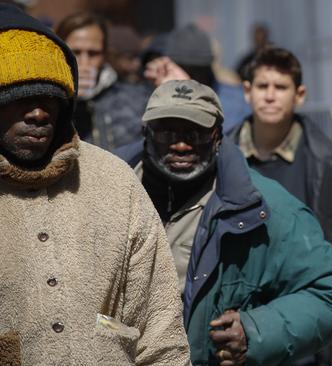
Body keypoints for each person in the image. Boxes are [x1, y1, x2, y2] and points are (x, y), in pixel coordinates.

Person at [0, 5, 190, 365]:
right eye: (20, 97)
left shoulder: (114, 183)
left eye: (50, 99)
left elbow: (160, 332)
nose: (38, 113)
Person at [117, 79, 332, 366]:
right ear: (146, 133)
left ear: (217, 136)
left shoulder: (264, 207)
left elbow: (331, 294)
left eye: (195, 133)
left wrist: (256, 331)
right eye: (167, 132)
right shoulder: (102, 191)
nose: (180, 145)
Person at [229, 47, 332, 366]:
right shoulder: (223, 159)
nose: (270, 96)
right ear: (247, 91)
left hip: (313, 338)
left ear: (300, 95)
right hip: (239, 337)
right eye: (262, 86)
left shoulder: (330, 163)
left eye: (280, 87)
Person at [56, 12, 150, 152]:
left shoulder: (137, 99)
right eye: (75, 52)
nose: (84, 63)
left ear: (105, 55)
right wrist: (69, 101)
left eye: (93, 53)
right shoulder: (50, 102)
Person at [144, 24, 250, 135]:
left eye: (198, 70)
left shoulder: (239, 102)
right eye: (185, 69)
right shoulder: (154, 96)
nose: (191, 78)